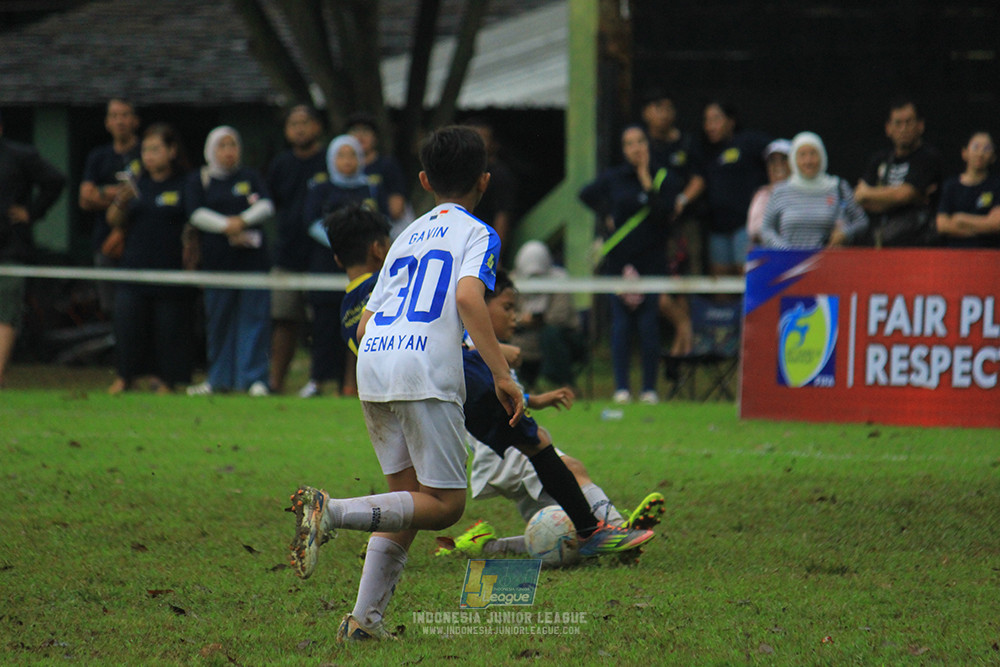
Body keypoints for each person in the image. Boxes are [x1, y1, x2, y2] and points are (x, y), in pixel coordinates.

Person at [286, 126, 524, 642]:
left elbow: (368, 320)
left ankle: (363, 623)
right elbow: (467, 299)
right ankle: (334, 511)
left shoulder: (405, 235)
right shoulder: (479, 233)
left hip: (373, 364)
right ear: (484, 180)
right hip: (423, 372)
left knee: (406, 505)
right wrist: (502, 375)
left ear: (423, 179)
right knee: (446, 505)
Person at [323, 206, 658, 564]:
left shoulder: (348, 307)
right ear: (379, 249)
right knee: (527, 450)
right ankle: (595, 531)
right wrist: (494, 354)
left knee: (408, 494)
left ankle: (376, 570)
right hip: (442, 376)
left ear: (337, 256)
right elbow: (450, 312)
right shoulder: (399, 276)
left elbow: (367, 337)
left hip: (383, 386)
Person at [579, 124, 684, 404]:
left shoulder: (664, 178)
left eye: (640, 142)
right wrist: (606, 214)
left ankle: (650, 388)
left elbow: (664, 215)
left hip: (651, 262)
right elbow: (585, 194)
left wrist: (645, 179)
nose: (635, 148)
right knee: (621, 326)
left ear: (648, 145)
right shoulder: (614, 178)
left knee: (649, 326)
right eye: (629, 144)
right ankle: (621, 388)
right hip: (620, 264)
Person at [184, 126, 274, 396]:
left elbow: (266, 205)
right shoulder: (199, 180)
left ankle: (254, 378)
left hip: (253, 264)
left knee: (254, 319)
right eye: (222, 146)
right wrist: (227, 226)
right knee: (219, 321)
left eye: (232, 145)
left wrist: (242, 221)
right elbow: (196, 213)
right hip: (218, 264)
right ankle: (218, 378)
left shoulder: (250, 177)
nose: (228, 152)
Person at [106, 123, 194, 395]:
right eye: (145, 149)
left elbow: (193, 223)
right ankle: (125, 377)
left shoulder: (185, 183)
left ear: (172, 151)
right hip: (134, 266)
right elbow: (113, 220)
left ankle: (166, 380)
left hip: (170, 268)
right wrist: (121, 201)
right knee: (128, 325)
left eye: (156, 149)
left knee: (169, 329)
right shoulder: (136, 184)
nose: (150, 155)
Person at [298, 134, 378, 398]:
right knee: (324, 327)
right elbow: (311, 222)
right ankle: (318, 380)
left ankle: (352, 384)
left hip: (363, 269)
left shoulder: (370, 188)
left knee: (358, 324)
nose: (347, 161)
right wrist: (343, 244)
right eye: (341, 155)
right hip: (327, 265)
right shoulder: (321, 188)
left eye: (352, 154)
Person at [0, 112, 67, 389]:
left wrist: (32, 212)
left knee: (5, 310)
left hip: (10, 248)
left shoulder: (20, 155)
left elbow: (55, 180)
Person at [266, 105, 327, 395]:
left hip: (322, 256)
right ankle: (275, 381)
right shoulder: (280, 164)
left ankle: (318, 381)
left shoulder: (329, 161)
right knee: (283, 320)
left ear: (317, 127)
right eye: (293, 123)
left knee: (322, 322)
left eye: (305, 122)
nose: (299, 129)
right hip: (287, 253)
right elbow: (271, 205)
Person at [78, 98, 142, 316]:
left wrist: (102, 193)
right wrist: (118, 194)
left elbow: (144, 197)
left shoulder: (146, 153)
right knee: (111, 309)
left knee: (137, 306)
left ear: (135, 120)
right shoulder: (98, 156)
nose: (120, 121)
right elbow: (85, 199)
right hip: (105, 244)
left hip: (139, 242)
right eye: (114, 116)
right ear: (107, 122)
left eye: (124, 115)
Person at [854, 99, 943, 247]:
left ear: (920, 126)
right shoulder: (879, 159)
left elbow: (904, 194)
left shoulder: (928, 158)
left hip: (916, 243)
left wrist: (872, 194)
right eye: (898, 123)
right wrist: (905, 198)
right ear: (888, 128)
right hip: (880, 242)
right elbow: (859, 197)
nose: (903, 128)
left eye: (909, 122)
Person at [759, 132, 868, 249]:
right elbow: (766, 229)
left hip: (830, 261)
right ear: (794, 159)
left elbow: (861, 221)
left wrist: (844, 233)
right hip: (790, 263)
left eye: (813, 154)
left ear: (822, 156)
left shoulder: (838, 187)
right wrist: (784, 249)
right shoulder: (780, 191)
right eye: (802, 155)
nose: (808, 161)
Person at [698, 101, 770, 275]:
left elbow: (778, 152)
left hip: (743, 227)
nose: (710, 126)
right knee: (720, 285)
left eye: (716, 119)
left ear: (731, 121)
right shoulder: (705, 151)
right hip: (717, 229)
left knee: (746, 277)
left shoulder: (748, 141)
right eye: (706, 121)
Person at [639, 88, 706, 275]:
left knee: (691, 266)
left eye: (669, 108)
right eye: (658, 108)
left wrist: (681, 201)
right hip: (651, 220)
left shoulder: (686, 142)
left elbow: (699, 177)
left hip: (685, 218)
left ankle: (693, 304)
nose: (664, 113)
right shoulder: (639, 144)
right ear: (645, 112)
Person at [508, 240, 585, 391]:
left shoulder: (560, 280)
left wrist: (536, 320)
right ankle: (515, 383)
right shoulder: (512, 282)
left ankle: (560, 382)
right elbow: (505, 313)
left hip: (563, 337)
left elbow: (559, 316)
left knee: (550, 335)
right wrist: (520, 319)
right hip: (523, 333)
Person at [345, 112, 410, 237]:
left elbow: (396, 209)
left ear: (375, 137)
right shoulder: (339, 170)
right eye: (355, 131)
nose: (360, 136)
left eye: (365, 131)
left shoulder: (387, 165)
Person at [464, 117, 519, 260]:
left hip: (485, 246)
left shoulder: (500, 175)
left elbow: (502, 216)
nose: (476, 144)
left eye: (482, 139)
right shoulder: (461, 171)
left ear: (494, 144)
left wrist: (495, 255)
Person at [935, 131, 1000, 248]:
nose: (980, 153)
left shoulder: (996, 186)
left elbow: (996, 224)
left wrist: (961, 220)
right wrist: (981, 227)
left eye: (986, 148)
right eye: (976, 147)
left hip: (988, 253)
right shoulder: (951, 186)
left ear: (993, 157)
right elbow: (942, 225)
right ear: (964, 153)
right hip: (955, 253)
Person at [746, 138, 791, 246]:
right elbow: (754, 230)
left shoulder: (801, 192)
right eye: (772, 160)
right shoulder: (761, 194)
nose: (778, 164)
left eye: (784, 159)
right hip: (768, 254)